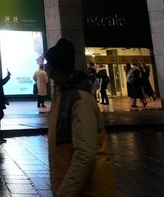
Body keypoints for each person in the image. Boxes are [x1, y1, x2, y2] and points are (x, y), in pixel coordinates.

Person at [43, 39, 116, 196]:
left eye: (48, 63)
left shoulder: (79, 99)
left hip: (90, 191)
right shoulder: (62, 93)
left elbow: (85, 154)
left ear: (54, 68)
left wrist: (65, 193)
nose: (45, 67)